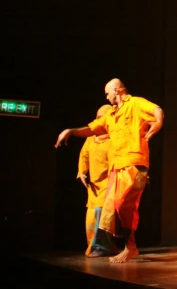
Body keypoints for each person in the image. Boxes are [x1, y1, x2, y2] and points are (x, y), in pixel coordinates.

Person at [55, 79, 164, 263]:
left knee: (123, 204)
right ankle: (129, 247)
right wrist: (71, 131)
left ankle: (130, 247)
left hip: (134, 162)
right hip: (117, 166)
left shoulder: (135, 103)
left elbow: (156, 109)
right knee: (114, 209)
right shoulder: (111, 116)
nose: (106, 97)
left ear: (118, 90)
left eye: (108, 93)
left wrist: (159, 122)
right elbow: (90, 129)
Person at [78, 105, 116, 257]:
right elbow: (84, 155)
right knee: (91, 217)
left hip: (108, 184)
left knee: (102, 215)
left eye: (102, 118)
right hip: (93, 186)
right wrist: (82, 172)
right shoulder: (91, 138)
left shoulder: (114, 139)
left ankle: (103, 247)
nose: (98, 121)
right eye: (98, 117)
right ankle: (94, 246)